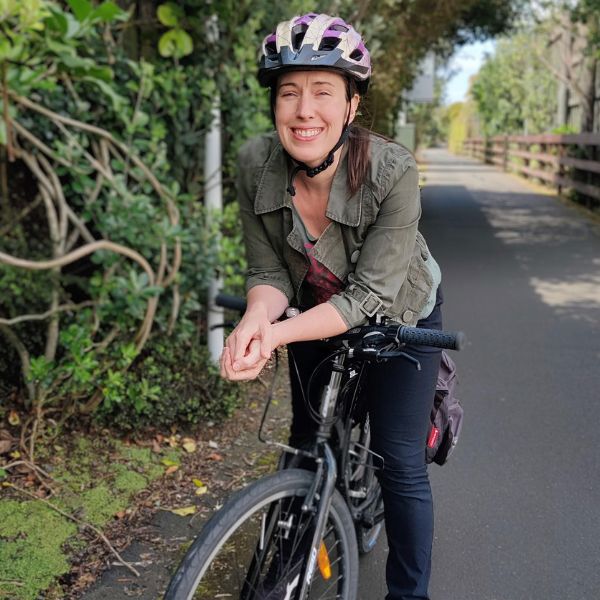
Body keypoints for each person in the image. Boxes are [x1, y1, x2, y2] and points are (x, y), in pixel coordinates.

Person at [220, 12, 443, 600]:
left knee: (398, 460)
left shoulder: (393, 171)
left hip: (400, 315)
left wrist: (275, 336)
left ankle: (408, 594)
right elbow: (268, 272)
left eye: (323, 92)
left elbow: (371, 296)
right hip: (316, 306)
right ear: (274, 104)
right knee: (304, 440)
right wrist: (254, 320)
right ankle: (286, 567)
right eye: (289, 92)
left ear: (351, 106)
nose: (303, 110)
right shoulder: (253, 164)